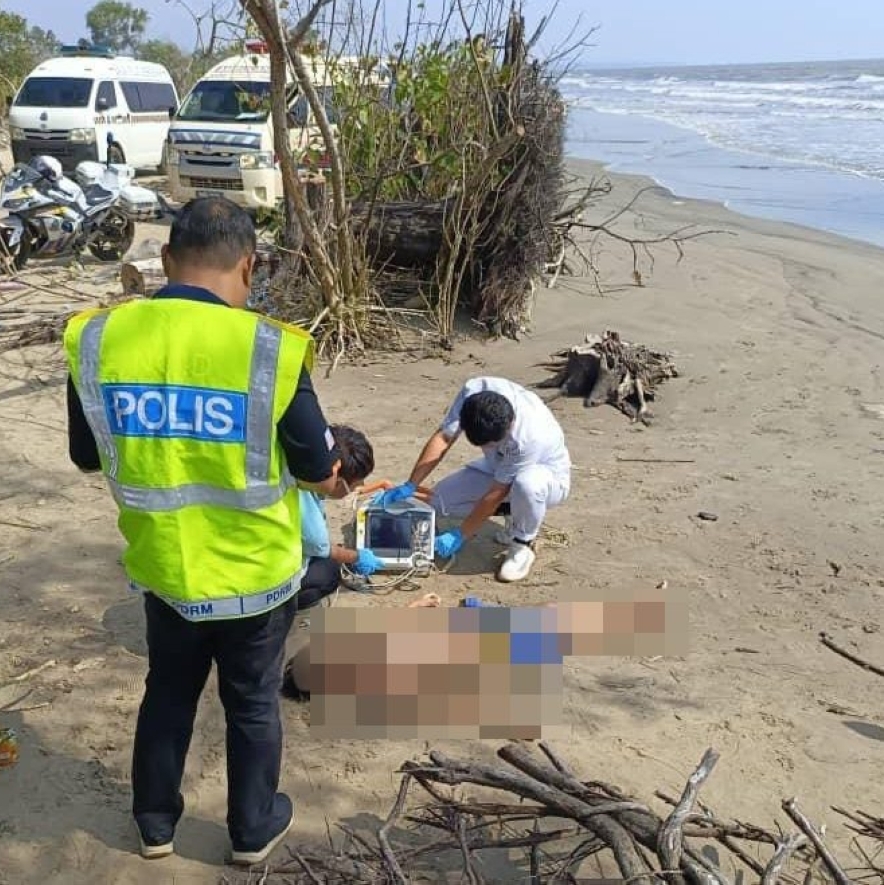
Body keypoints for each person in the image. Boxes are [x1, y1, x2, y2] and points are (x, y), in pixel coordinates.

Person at [63, 196, 339, 866]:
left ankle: (155, 825)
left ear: (165, 260)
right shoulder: (268, 349)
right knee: (251, 704)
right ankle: (251, 830)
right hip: (255, 576)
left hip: (165, 567)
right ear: (249, 266)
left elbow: (85, 452)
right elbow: (319, 468)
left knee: (169, 692)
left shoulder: (97, 338)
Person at [377, 376, 570, 582]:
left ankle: (522, 543)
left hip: (545, 476)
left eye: (493, 443)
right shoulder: (473, 390)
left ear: (510, 424)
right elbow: (444, 437)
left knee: (526, 485)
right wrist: (411, 484)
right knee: (442, 502)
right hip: (497, 467)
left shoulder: (529, 438)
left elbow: (496, 493)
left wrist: (461, 534)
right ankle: (514, 511)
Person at [295, 423, 384, 611]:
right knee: (328, 572)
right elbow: (319, 546)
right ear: (336, 474)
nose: (359, 486)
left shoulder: (294, 469)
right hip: (264, 584)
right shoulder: (302, 494)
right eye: (356, 482)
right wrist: (356, 557)